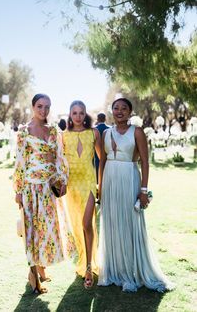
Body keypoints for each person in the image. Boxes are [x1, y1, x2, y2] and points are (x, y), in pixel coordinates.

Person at [98, 98, 175, 292]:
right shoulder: (106, 133)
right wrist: (100, 187)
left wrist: (143, 190)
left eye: (124, 108)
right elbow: (103, 162)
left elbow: (145, 163)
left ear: (130, 111)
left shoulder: (137, 132)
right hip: (110, 182)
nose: (119, 111)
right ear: (111, 111)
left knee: (130, 224)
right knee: (113, 223)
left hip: (129, 179)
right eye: (116, 108)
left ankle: (133, 272)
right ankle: (116, 270)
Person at [13, 93, 75, 294]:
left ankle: (41, 266)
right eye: (40, 106)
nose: (44, 110)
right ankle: (33, 275)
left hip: (48, 189)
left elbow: (59, 157)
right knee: (31, 232)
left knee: (46, 230)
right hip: (30, 187)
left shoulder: (53, 130)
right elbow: (20, 162)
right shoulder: (24, 131)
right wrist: (19, 191)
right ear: (32, 107)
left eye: (47, 107)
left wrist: (62, 180)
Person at [62, 100, 101, 289]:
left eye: (81, 113)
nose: (78, 116)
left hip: (88, 183)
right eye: (75, 113)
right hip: (72, 185)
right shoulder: (63, 136)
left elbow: (103, 159)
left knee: (87, 223)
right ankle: (84, 261)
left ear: (86, 114)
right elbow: (59, 162)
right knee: (78, 226)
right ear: (70, 115)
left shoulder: (93, 133)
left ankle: (88, 267)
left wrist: (100, 182)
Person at [94, 113, 109, 183]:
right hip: (107, 157)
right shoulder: (109, 129)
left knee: (97, 178)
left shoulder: (94, 130)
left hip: (96, 157)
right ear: (105, 119)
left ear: (97, 119)